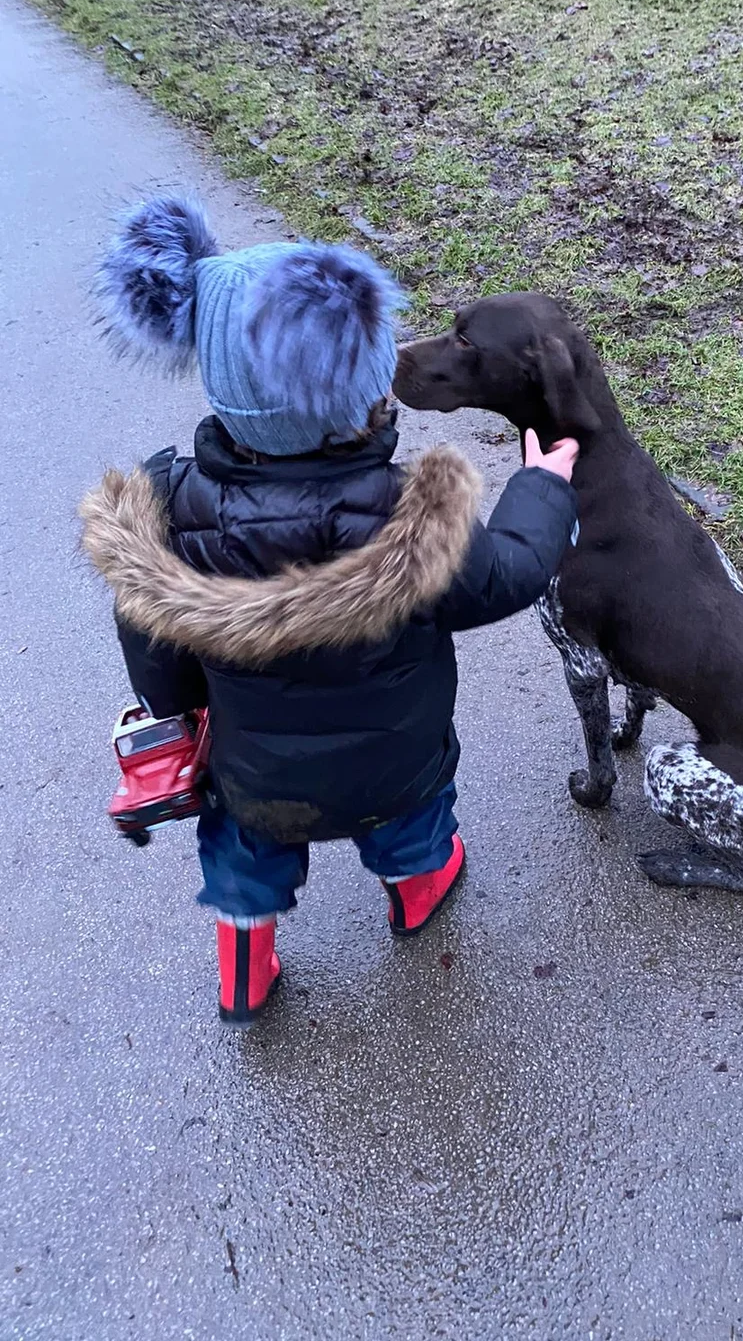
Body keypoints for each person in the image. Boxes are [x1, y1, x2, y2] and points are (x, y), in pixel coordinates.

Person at [81, 196, 578, 1026]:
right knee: (414, 830)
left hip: (255, 774)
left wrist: (177, 712)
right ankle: (418, 894)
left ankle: (245, 967)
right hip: (398, 764)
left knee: (246, 857)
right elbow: (512, 575)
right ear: (360, 385)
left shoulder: (169, 509)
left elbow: (151, 634)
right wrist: (542, 489)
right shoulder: (410, 514)